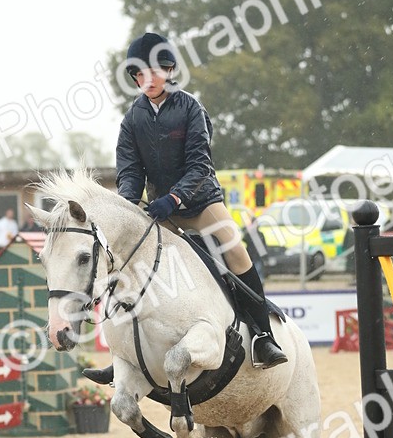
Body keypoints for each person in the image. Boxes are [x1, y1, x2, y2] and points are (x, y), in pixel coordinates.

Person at [85, 32, 286, 384]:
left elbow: (199, 165)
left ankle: (263, 335)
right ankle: (125, 355)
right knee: (130, 261)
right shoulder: (132, 118)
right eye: (139, 74)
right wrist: (129, 204)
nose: (147, 80)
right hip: (159, 208)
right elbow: (130, 170)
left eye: (153, 72)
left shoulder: (191, 108)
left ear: (169, 70)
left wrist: (174, 198)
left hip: (200, 202)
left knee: (235, 250)